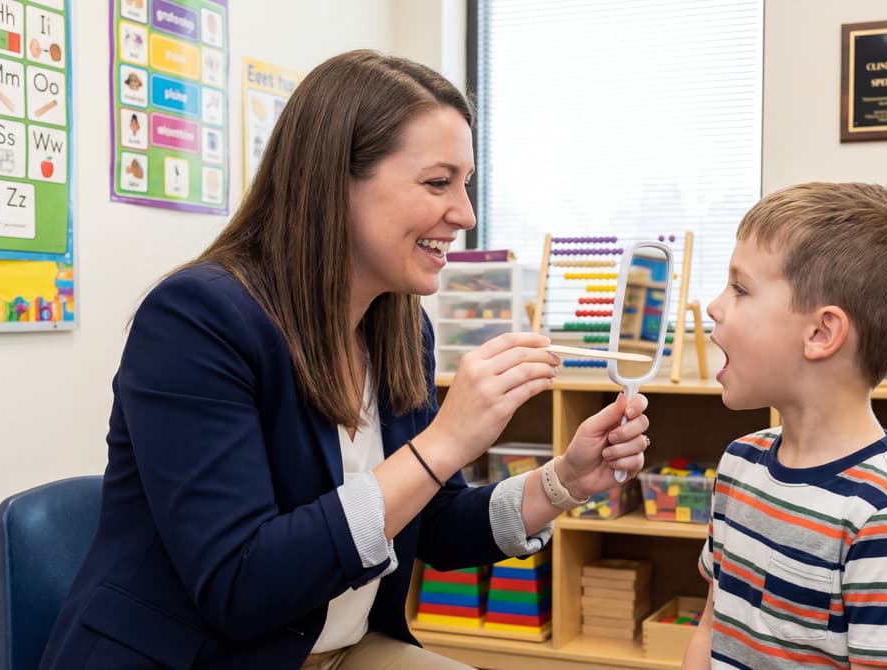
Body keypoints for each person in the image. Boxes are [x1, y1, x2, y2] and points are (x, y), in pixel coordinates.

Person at [40, 50, 650, 669]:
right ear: (335, 181)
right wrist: (443, 443)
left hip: (339, 649)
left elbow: (428, 519)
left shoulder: (400, 326)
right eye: (439, 183)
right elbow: (240, 585)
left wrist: (562, 482)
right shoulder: (196, 321)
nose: (464, 214)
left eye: (464, 184)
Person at [682, 183, 887, 669]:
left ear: (821, 333)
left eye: (740, 288)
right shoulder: (739, 464)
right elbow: (710, 627)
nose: (715, 306)